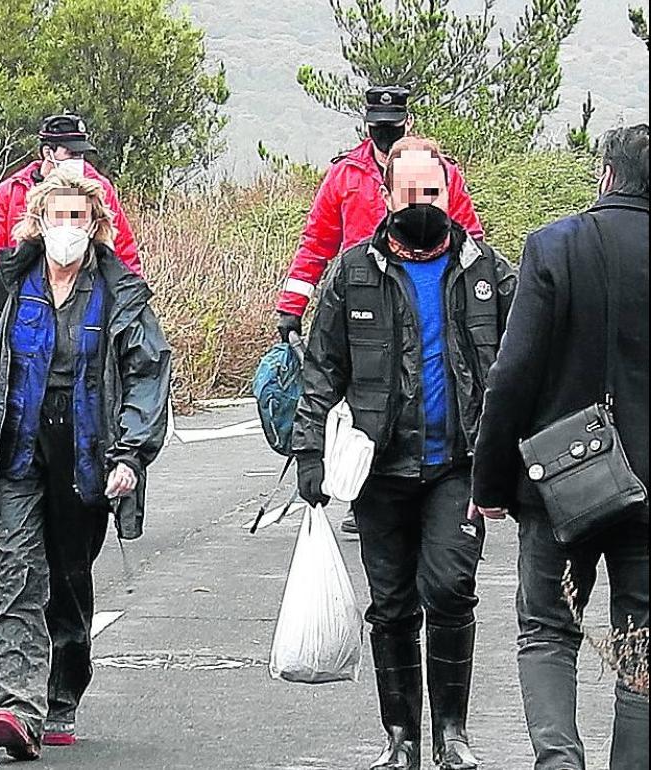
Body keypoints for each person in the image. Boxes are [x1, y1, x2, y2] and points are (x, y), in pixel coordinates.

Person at [0, 169, 171, 759]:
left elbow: (145, 374)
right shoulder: (7, 286)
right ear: (36, 223)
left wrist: (130, 453)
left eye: (78, 217)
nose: (67, 228)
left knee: (66, 577)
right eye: (57, 216)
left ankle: (63, 691)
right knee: (17, 574)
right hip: (15, 448)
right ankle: (14, 705)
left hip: (86, 451)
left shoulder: (119, 292)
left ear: (97, 225)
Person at [292, 136, 516, 770]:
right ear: (386, 196)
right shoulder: (352, 273)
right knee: (390, 605)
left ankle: (454, 734)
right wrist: (310, 455)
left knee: (449, 588)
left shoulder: (486, 273)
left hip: (457, 467)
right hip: (378, 469)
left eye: (434, 191)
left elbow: (525, 355)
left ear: (451, 194)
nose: (424, 203)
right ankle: (402, 738)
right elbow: (321, 371)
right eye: (411, 192)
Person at [469, 124, 649, 770]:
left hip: (558, 486)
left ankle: (559, 761)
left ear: (605, 175)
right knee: (642, 640)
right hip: (648, 496)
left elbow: (511, 376)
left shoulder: (555, 245)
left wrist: (488, 484)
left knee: (546, 627)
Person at [277, 86, 485, 536]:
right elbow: (317, 244)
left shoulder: (439, 172)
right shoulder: (345, 175)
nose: (385, 131)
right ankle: (370, 483)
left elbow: (471, 240)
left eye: (392, 123)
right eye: (378, 124)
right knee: (367, 393)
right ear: (367, 125)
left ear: (406, 122)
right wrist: (292, 306)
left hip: (428, 293)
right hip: (362, 303)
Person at [0, 112, 142, 304]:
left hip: (85, 301)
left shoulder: (98, 190)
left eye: (80, 154)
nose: (78, 160)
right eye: (71, 154)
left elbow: (124, 252)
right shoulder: (12, 191)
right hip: (22, 301)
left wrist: (131, 305)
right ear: (48, 152)